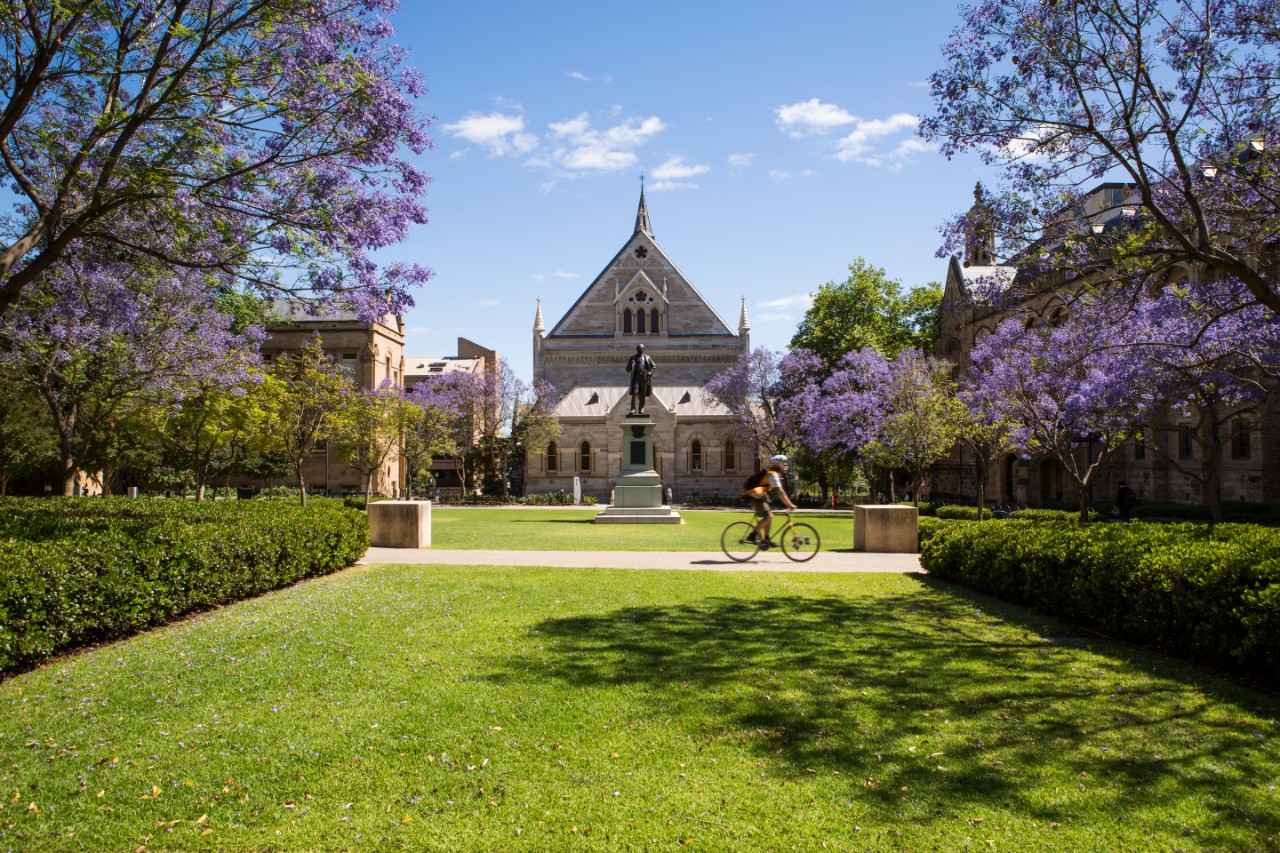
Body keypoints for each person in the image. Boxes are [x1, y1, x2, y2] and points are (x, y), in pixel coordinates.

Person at [748, 455, 798, 546]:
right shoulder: (773, 475)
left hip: (759, 496)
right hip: (755, 497)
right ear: (779, 464)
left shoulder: (774, 474)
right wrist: (789, 504)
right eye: (784, 463)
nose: (785, 465)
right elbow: (781, 492)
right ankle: (752, 535)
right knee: (769, 516)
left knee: (769, 515)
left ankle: (767, 539)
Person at [626, 344, 656, 415]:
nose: (638, 350)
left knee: (643, 394)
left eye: (640, 349)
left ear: (643, 349)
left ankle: (641, 409)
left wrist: (650, 373)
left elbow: (654, 366)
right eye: (637, 349)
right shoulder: (633, 358)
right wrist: (631, 364)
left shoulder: (647, 358)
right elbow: (627, 369)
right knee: (635, 393)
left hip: (644, 377)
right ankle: (633, 409)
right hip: (636, 378)